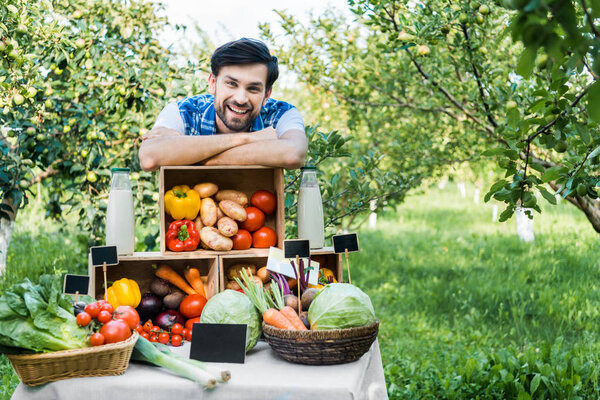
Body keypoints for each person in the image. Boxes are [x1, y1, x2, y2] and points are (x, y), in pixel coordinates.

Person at [139, 38, 308, 171]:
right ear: (213, 83)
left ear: (267, 95)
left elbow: (294, 154)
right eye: (231, 84)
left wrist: (189, 156)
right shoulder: (183, 112)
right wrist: (250, 139)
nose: (241, 99)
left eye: (253, 88)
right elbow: (149, 158)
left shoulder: (281, 114)